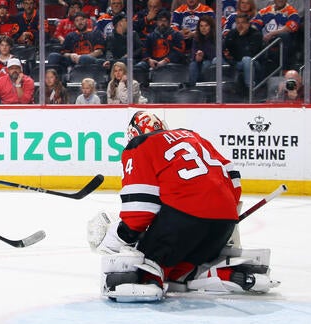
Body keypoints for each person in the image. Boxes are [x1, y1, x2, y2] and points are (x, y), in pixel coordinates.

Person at [87, 111, 279, 302]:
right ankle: (224, 273)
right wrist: (223, 212)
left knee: (148, 267)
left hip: (183, 221)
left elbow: (141, 208)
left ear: (133, 133)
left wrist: (122, 236)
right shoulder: (192, 135)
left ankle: (147, 280)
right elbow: (234, 178)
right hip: (224, 223)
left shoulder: (139, 145)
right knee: (181, 272)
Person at [251, 0, 300, 69]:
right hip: (263, 41)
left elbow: (290, 27)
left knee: (285, 35)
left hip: (279, 42)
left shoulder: (292, 12)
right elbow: (255, 25)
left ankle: (284, 68)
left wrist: (272, 34)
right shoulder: (264, 11)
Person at [222, 13, 263, 91]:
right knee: (216, 60)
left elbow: (249, 54)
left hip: (254, 63)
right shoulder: (232, 33)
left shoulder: (256, 35)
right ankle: (221, 88)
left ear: (248, 24)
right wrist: (230, 60)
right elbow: (224, 49)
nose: (240, 25)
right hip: (235, 62)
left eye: (243, 23)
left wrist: (241, 37)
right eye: (238, 23)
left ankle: (250, 88)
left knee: (246, 59)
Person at [187, 15, 215, 85]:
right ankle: (192, 87)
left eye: (206, 26)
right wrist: (196, 57)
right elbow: (193, 53)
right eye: (201, 26)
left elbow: (215, 55)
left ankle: (205, 86)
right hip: (200, 61)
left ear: (211, 27)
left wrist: (203, 55)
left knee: (206, 64)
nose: (203, 28)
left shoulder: (216, 38)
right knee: (193, 64)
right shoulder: (196, 38)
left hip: (212, 61)